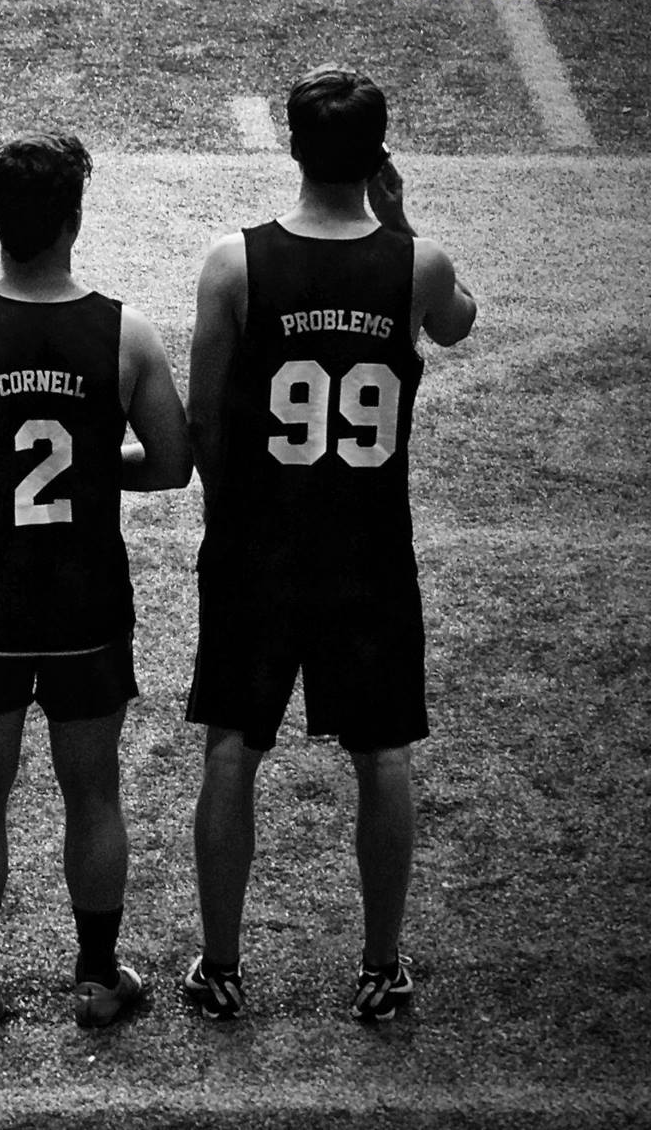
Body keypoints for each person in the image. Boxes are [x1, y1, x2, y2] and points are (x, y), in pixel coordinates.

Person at [182, 66, 476, 1024]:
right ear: (378, 156)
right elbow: (459, 323)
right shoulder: (416, 263)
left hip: (259, 544)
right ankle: (382, 966)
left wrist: (233, 517)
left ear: (294, 147)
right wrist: (401, 214)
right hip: (369, 547)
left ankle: (221, 965)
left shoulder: (236, 263)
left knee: (234, 745)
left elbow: (204, 421)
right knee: (382, 753)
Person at [0, 133, 191, 1027]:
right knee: (94, 791)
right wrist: (93, 467)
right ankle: (96, 979)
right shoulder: (125, 331)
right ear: (74, 218)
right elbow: (172, 465)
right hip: (87, 596)